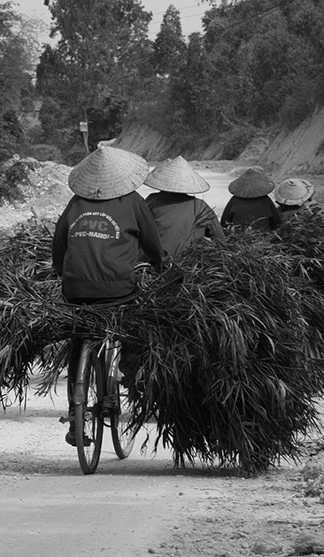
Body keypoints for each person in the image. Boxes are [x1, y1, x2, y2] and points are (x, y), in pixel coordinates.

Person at [52, 145, 164, 446]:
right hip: (119, 290)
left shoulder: (75, 203)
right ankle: (120, 381)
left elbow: (59, 245)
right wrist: (160, 266)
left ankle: (75, 418)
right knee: (130, 328)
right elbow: (153, 244)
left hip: (75, 289)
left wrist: (62, 273)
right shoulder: (133, 201)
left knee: (78, 342)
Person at [144, 155, 224, 258]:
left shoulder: (152, 201)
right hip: (185, 262)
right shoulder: (200, 205)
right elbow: (219, 237)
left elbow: (139, 229)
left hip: (153, 258)